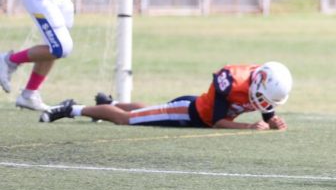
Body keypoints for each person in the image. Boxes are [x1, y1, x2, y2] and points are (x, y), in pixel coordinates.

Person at [39, 62, 293, 131]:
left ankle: (110, 104)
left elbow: (265, 107)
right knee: (126, 119)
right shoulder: (232, 80)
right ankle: (72, 108)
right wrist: (248, 127)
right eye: (263, 98)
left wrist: (272, 120)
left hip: (193, 110)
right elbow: (217, 121)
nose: (264, 104)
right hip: (189, 113)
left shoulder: (260, 87)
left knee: (147, 111)